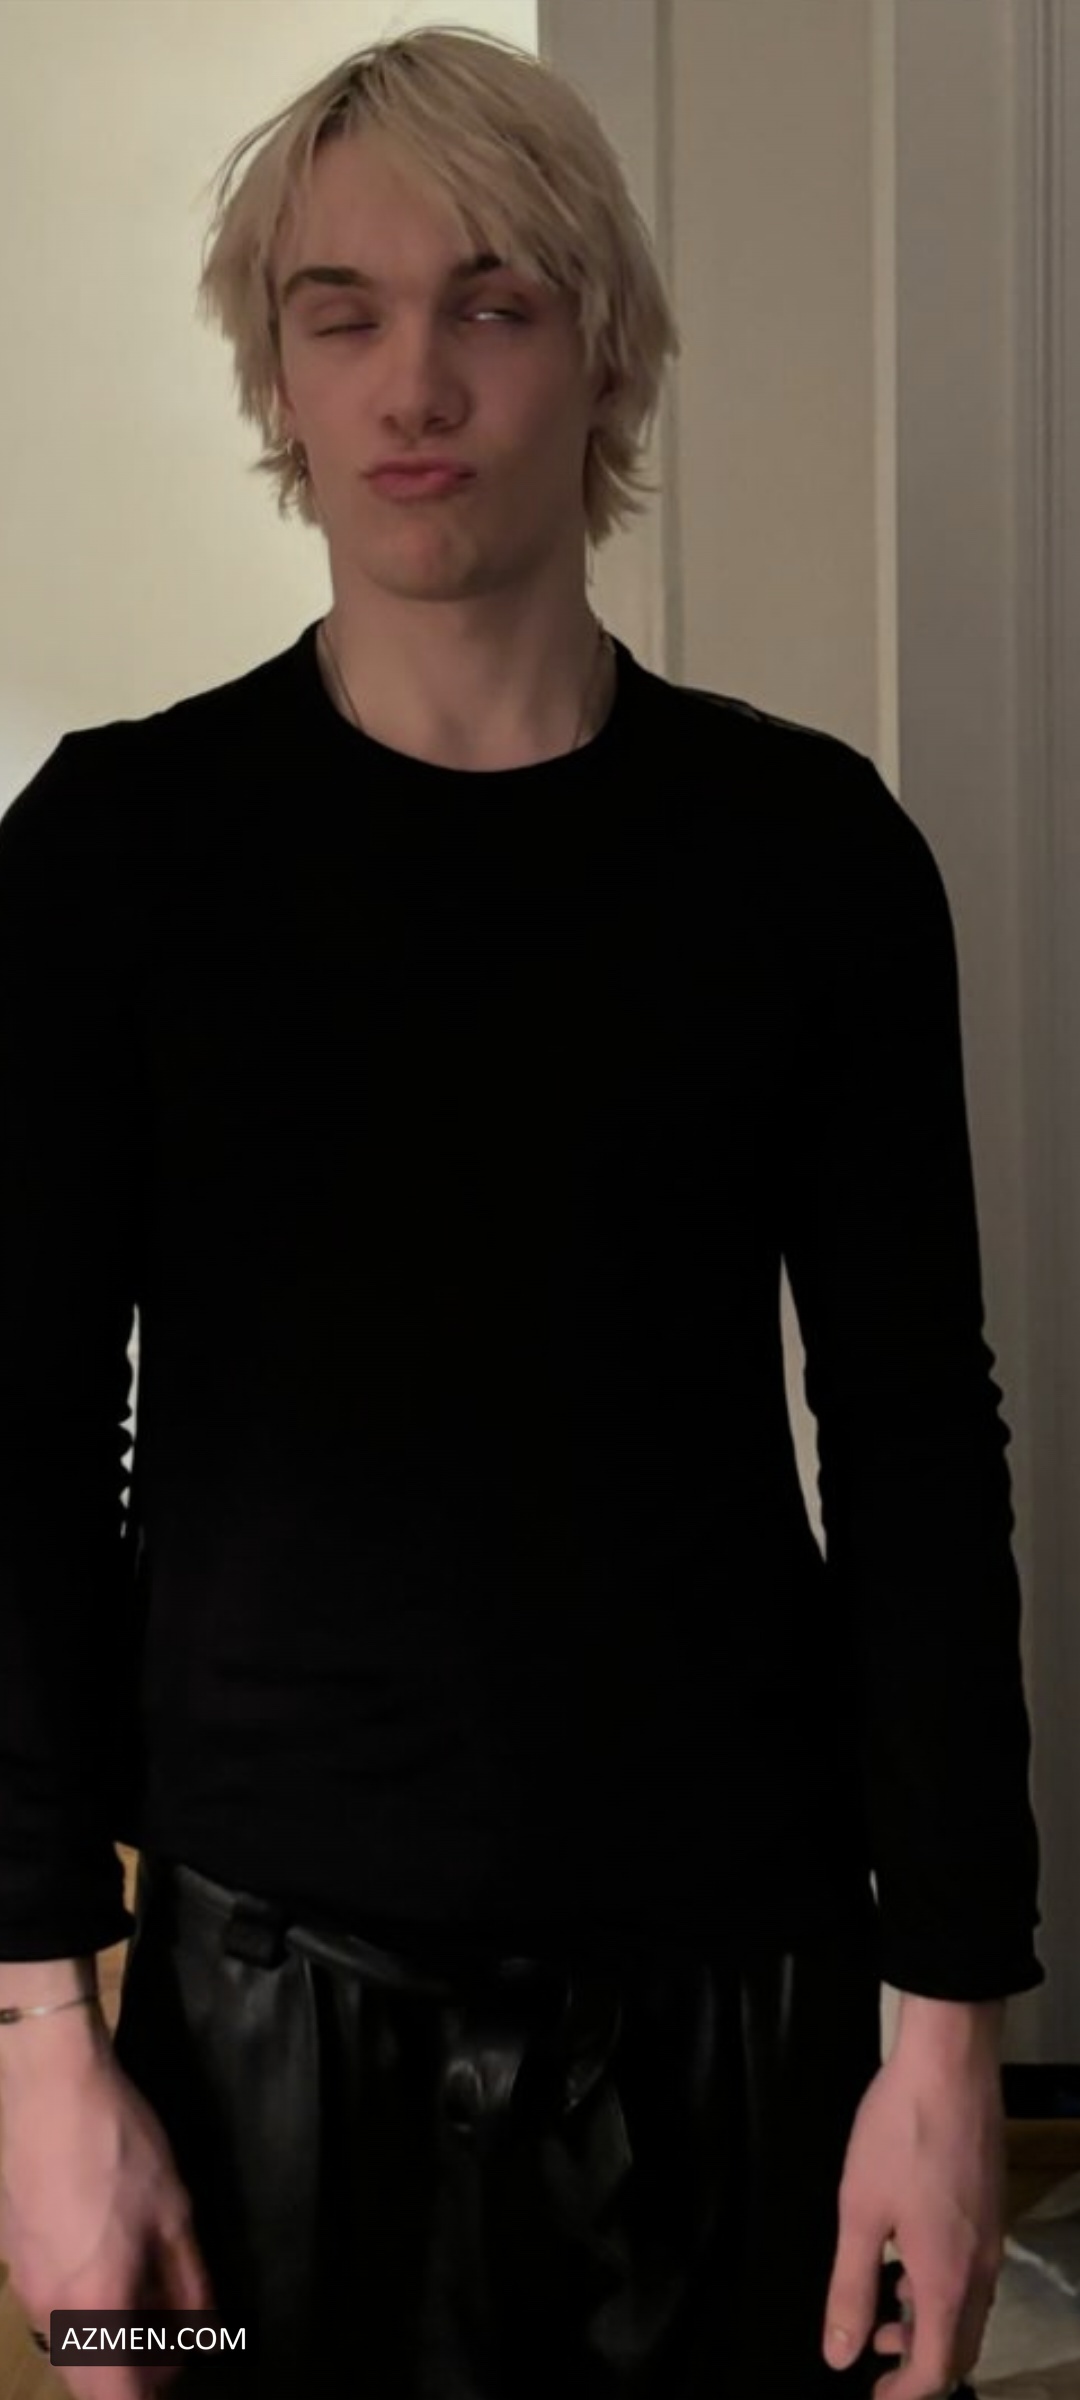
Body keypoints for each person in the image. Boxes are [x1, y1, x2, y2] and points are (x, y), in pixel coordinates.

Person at [0, 22, 1042, 2400]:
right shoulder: (109, 861)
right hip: (241, 2037)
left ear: (606, 351)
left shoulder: (811, 860)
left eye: (491, 301)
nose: (415, 380)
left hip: (742, 2018)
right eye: (341, 311)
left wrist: (952, 2037)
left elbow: (916, 1442)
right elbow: (23, 1453)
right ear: (275, 371)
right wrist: (37, 2042)